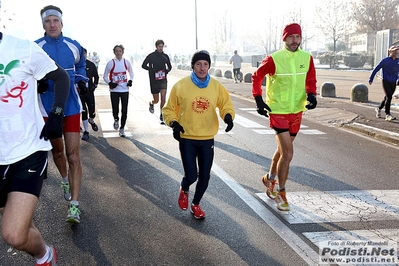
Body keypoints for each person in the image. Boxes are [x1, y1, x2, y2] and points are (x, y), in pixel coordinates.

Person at [0, 31, 69, 266]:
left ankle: (45, 255)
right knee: (19, 223)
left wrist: (56, 115)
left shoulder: (23, 48)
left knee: (14, 234)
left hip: (28, 151)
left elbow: (62, 78)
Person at [252, 23, 317, 211]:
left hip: (296, 112)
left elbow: (310, 79)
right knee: (288, 153)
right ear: (284, 38)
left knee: (281, 152)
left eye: (298, 37)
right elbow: (256, 77)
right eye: (291, 37)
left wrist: (311, 94)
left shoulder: (307, 58)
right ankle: (282, 193)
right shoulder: (274, 59)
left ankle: (269, 179)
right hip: (278, 111)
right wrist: (258, 99)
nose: (295, 40)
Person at [162, 50, 235, 219]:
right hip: (187, 137)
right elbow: (168, 109)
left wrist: (228, 117)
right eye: (198, 64)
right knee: (191, 175)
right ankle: (184, 188)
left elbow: (225, 104)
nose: (202, 68)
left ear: (209, 66)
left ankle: (196, 204)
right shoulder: (181, 85)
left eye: (205, 64)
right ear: (193, 66)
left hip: (207, 137)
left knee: (205, 176)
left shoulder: (216, 86)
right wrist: (174, 123)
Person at [35, 5, 88, 223]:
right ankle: (64, 178)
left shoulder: (73, 46)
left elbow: (82, 65)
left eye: (56, 20)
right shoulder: (35, 47)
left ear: (62, 23)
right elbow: (27, 71)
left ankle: (74, 206)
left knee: (73, 155)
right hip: (47, 108)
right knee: (58, 153)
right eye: (48, 21)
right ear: (43, 25)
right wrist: (36, 83)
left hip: (71, 107)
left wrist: (82, 80)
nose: (52, 24)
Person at [103, 44, 134, 137]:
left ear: (122, 52)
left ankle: (122, 128)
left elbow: (131, 73)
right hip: (114, 91)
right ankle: (116, 119)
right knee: (115, 109)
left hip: (124, 90)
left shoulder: (126, 62)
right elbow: (105, 76)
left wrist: (130, 80)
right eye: (116, 51)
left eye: (120, 51)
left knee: (124, 110)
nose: (118, 53)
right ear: (114, 52)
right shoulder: (111, 63)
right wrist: (110, 83)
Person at [142, 39, 172, 123]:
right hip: (154, 80)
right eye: (159, 46)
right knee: (156, 100)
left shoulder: (165, 56)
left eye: (162, 47)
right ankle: (151, 103)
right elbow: (143, 65)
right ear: (156, 47)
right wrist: (151, 69)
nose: (161, 48)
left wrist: (167, 70)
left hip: (163, 80)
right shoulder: (151, 56)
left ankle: (162, 115)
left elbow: (170, 67)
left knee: (163, 98)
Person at [369, 45, 399, 122]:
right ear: (390, 52)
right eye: (394, 51)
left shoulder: (398, 61)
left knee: (386, 98)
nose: (396, 52)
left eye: (397, 51)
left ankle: (378, 108)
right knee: (389, 97)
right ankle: (388, 114)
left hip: (393, 82)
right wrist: (371, 78)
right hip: (385, 81)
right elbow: (376, 69)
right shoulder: (385, 60)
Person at [80, 48, 99, 141]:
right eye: (81, 53)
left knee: (92, 111)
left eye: (84, 53)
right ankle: (86, 131)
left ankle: (91, 120)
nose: (82, 55)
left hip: (89, 92)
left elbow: (96, 76)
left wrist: (94, 85)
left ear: (86, 54)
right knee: (83, 111)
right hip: (80, 93)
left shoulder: (91, 65)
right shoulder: (75, 65)